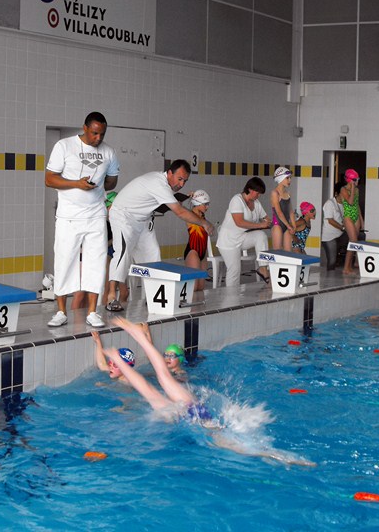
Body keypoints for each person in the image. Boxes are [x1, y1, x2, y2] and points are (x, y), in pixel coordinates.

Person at [106, 317, 316, 467]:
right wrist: (280, 457)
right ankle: (137, 338)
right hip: (192, 413)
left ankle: (138, 339)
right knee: (157, 383)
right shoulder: (218, 438)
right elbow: (252, 450)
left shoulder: (218, 435)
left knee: (157, 383)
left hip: (190, 412)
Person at [106, 160, 214, 311]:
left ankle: (153, 296)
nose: (181, 184)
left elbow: (169, 205)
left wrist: (181, 198)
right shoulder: (158, 183)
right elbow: (180, 212)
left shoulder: (167, 186)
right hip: (124, 216)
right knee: (122, 253)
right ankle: (111, 297)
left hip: (143, 220)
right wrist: (204, 223)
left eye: (185, 181)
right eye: (180, 179)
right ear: (169, 173)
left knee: (153, 256)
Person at [45, 111, 119, 328]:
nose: (98, 138)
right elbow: (49, 179)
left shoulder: (109, 152)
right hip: (69, 216)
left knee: (96, 262)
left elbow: (112, 182)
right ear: (85, 128)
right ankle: (60, 312)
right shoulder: (64, 146)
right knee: (64, 260)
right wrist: (77, 184)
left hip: (96, 215)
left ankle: (92, 312)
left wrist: (100, 183)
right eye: (94, 133)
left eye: (102, 134)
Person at [216, 177, 272, 286]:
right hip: (228, 241)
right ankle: (232, 295)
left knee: (261, 236)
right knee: (234, 271)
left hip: (242, 238)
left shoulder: (256, 203)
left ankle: (263, 268)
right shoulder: (237, 200)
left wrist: (274, 223)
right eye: (258, 193)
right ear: (250, 189)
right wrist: (261, 225)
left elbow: (266, 219)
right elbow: (239, 222)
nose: (259, 196)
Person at [103, 191, 129, 310]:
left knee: (125, 292)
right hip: (109, 255)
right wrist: (115, 239)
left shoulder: (121, 221)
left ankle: (120, 311)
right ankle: (106, 311)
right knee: (108, 290)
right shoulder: (104, 224)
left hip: (120, 254)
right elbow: (102, 245)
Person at [184, 190, 211, 291]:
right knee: (193, 287)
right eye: (205, 204)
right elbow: (178, 206)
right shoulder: (189, 216)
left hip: (203, 253)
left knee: (200, 288)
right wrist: (185, 197)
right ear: (198, 203)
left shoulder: (202, 216)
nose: (207, 207)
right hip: (193, 252)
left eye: (208, 204)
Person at [321, 182, 349, 271]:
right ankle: (329, 276)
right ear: (336, 193)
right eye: (342, 193)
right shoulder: (330, 203)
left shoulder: (345, 204)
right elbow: (330, 221)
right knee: (332, 261)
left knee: (358, 237)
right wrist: (343, 228)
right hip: (330, 237)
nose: (345, 195)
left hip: (340, 235)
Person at [342, 169, 364, 275]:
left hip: (356, 217)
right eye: (355, 180)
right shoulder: (343, 189)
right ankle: (346, 268)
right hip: (348, 217)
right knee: (353, 242)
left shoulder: (357, 190)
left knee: (355, 243)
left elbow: (356, 205)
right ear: (349, 180)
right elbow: (350, 202)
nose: (357, 181)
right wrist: (352, 188)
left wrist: (361, 219)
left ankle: (351, 266)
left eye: (358, 179)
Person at [270, 167, 296, 251]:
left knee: (288, 253)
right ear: (280, 178)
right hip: (277, 225)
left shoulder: (288, 193)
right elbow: (279, 212)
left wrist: (294, 226)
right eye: (287, 178)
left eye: (290, 178)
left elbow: (290, 211)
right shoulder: (275, 193)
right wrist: (288, 225)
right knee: (277, 252)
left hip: (287, 226)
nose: (290, 180)